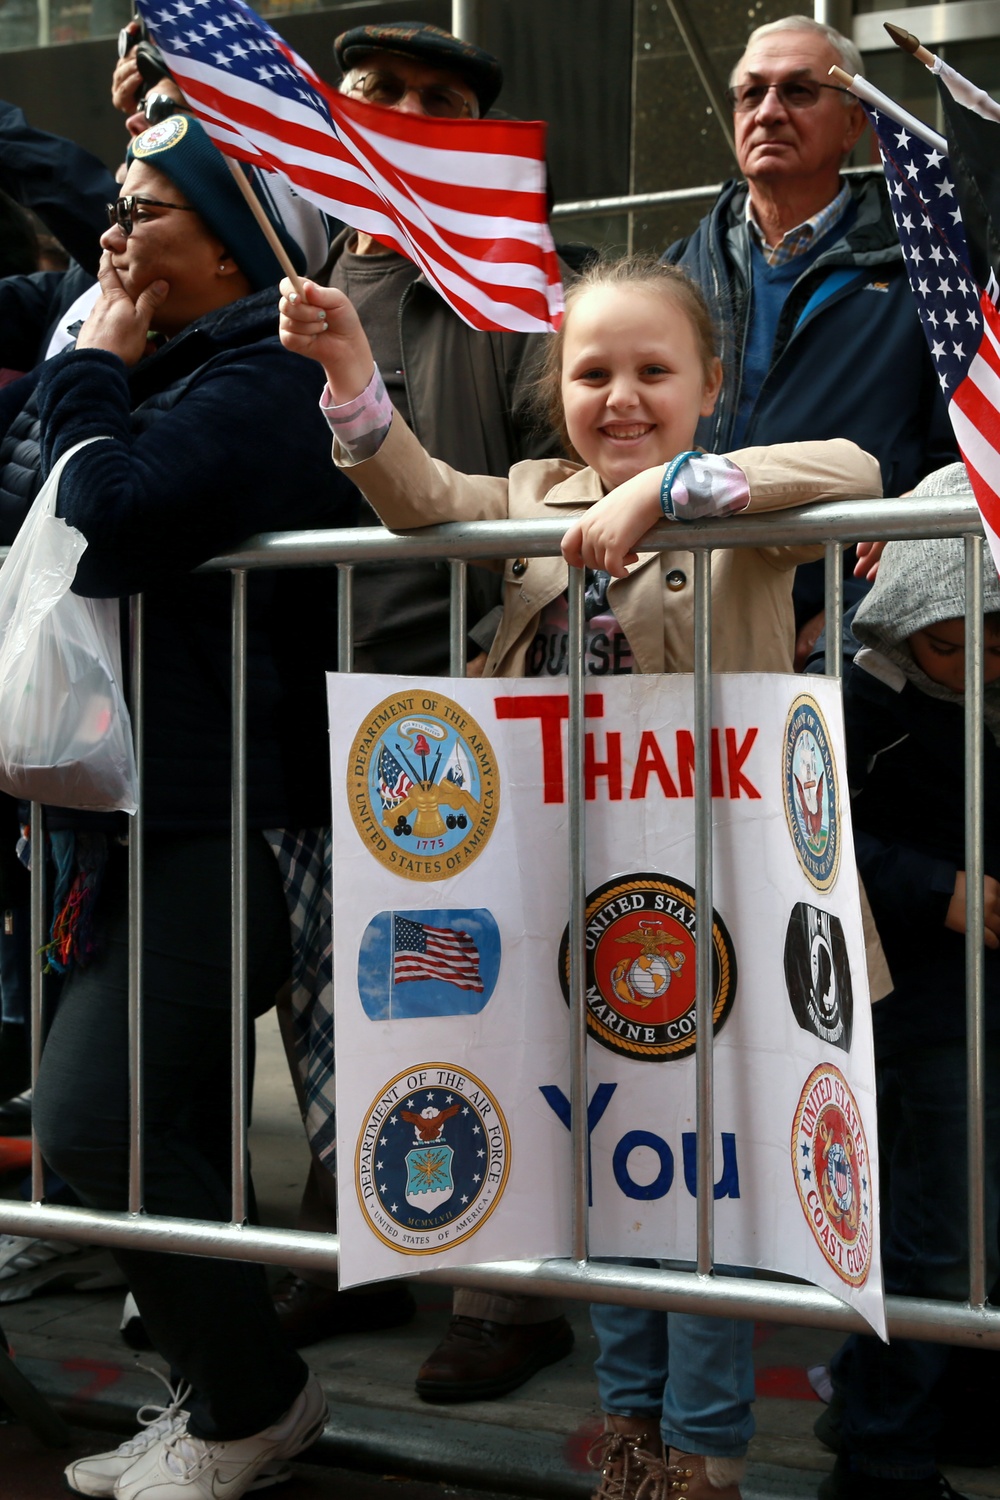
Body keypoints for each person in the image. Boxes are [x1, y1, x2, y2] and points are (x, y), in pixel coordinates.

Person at [278, 252, 882, 1500]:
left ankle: (703, 1457)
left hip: (718, 912)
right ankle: (629, 1440)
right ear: (553, 388)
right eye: (591, 370)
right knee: (607, 1191)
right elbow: (418, 493)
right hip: (560, 912)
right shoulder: (532, 493)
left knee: (707, 1201)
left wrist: (670, 490)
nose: (619, 395)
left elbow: (860, 473)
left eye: (653, 372)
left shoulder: (738, 497)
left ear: (708, 386)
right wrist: (347, 371)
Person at [0, 111, 359, 1500]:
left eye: (146, 209)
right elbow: (30, 481)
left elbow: (111, 520)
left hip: (229, 818)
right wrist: (83, 385)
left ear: (226, 246)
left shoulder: (270, 376)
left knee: (98, 1127)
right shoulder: (145, 353)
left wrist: (92, 373)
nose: (113, 231)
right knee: (154, 1133)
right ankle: (223, 1398)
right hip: (118, 821)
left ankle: (254, 1404)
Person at [263, 19, 585, 1402]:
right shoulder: (291, 272)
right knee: (328, 998)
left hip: (457, 712)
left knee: (463, 1001)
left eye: (436, 98)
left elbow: (559, 472)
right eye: (377, 92)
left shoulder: (510, 283)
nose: (404, 111)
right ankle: (367, 1240)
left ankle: (506, 1300)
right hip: (293, 699)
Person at [663, 14, 958, 667]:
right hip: (684, 618)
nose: (768, 111)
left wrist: (856, 608)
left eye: (798, 91)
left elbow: (956, 468)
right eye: (751, 93)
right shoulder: (674, 275)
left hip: (847, 635)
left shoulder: (925, 269)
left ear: (855, 123)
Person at [817, 463, 1000, 1500]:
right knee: (933, 1230)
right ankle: (881, 1453)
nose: (977, 662)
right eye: (950, 638)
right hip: (914, 1001)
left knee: (975, 1223)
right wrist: (943, 891)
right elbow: (819, 837)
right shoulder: (856, 697)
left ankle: (955, 1404)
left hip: (978, 997)